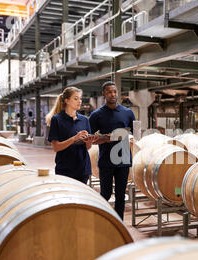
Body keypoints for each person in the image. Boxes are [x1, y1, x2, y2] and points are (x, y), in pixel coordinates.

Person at [89, 81, 136, 220]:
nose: (113, 94)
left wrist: (126, 135)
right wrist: (106, 138)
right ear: (104, 94)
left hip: (124, 159)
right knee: (106, 194)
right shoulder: (96, 115)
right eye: (109, 91)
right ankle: (103, 220)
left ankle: (119, 222)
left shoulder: (128, 112)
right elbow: (91, 139)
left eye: (115, 91)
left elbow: (137, 133)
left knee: (121, 195)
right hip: (106, 160)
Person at [46, 86, 97, 184]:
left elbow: (87, 147)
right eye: (76, 98)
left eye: (80, 99)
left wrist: (89, 141)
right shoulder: (57, 119)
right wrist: (74, 138)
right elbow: (56, 147)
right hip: (65, 169)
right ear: (67, 101)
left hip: (83, 169)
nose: (80, 101)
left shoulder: (84, 120)